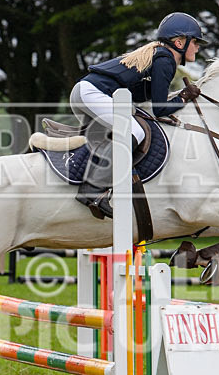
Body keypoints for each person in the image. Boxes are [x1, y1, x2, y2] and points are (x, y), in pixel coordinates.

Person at [71, 12, 207, 219]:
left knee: (123, 130)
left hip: (85, 92)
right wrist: (183, 98)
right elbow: (160, 109)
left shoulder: (160, 55)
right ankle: (93, 189)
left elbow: (148, 98)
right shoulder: (165, 59)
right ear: (179, 42)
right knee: (134, 130)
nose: (197, 47)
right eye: (195, 42)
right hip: (92, 93)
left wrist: (180, 95)